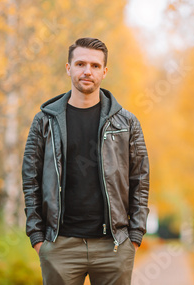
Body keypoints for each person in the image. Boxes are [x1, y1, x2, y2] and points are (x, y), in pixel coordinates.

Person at [21, 37, 150, 285]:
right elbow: (31, 179)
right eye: (80, 64)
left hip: (114, 246)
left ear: (104, 71)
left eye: (94, 65)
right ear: (68, 68)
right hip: (60, 245)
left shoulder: (127, 123)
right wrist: (38, 236)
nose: (87, 71)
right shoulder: (44, 121)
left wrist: (134, 235)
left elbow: (140, 180)